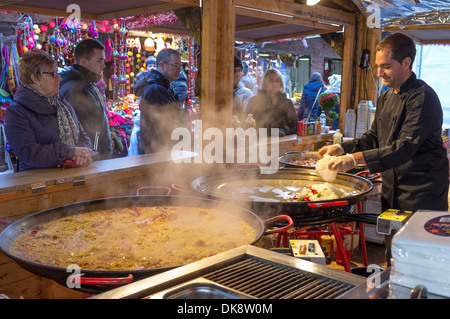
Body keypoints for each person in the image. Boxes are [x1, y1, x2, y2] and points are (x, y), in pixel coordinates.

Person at [318, 33, 449, 265]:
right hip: (392, 190)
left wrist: (353, 160)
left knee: (418, 256)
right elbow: (374, 137)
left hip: (421, 193)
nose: (379, 73)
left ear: (406, 63)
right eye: (378, 66)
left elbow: (404, 148)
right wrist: (341, 148)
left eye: (386, 66)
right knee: (393, 250)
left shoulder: (423, 97)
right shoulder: (387, 97)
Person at [5, 50, 92, 172]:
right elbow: (29, 153)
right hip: (37, 184)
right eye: (53, 74)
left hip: (72, 177)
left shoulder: (62, 103)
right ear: (35, 78)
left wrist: (84, 154)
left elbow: (83, 136)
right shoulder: (17, 112)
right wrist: (70, 152)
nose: (59, 78)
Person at [59, 38, 112, 160]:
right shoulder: (75, 89)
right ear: (84, 61)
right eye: (99, 61)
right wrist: (96, 151)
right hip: (89, 158)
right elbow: (83, 132)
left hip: (94, 155)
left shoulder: (87, 84)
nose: (103, 65)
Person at [133, 48, 186, 154]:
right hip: (157, 152)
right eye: (175, 65)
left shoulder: (162, 85)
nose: (179, 70)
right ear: (161, 65)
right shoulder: (156, 88)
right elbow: (166, 125)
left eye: (180, 66)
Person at [245, 68, 297, 137]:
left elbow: (295, 126)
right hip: (260, 142)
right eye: (270, 81)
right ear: (265, 83)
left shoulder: (287, 103)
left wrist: (285, 130)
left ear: (281, 84)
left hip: (283, 143)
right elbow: (245, 123)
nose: (274, 84)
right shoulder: (255, 101)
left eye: (277, 81)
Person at [233, 57, 254, 122]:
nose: (237, 75)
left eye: (239, 70)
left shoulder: (246, 93)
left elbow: (247, 118)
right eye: (234, 71)